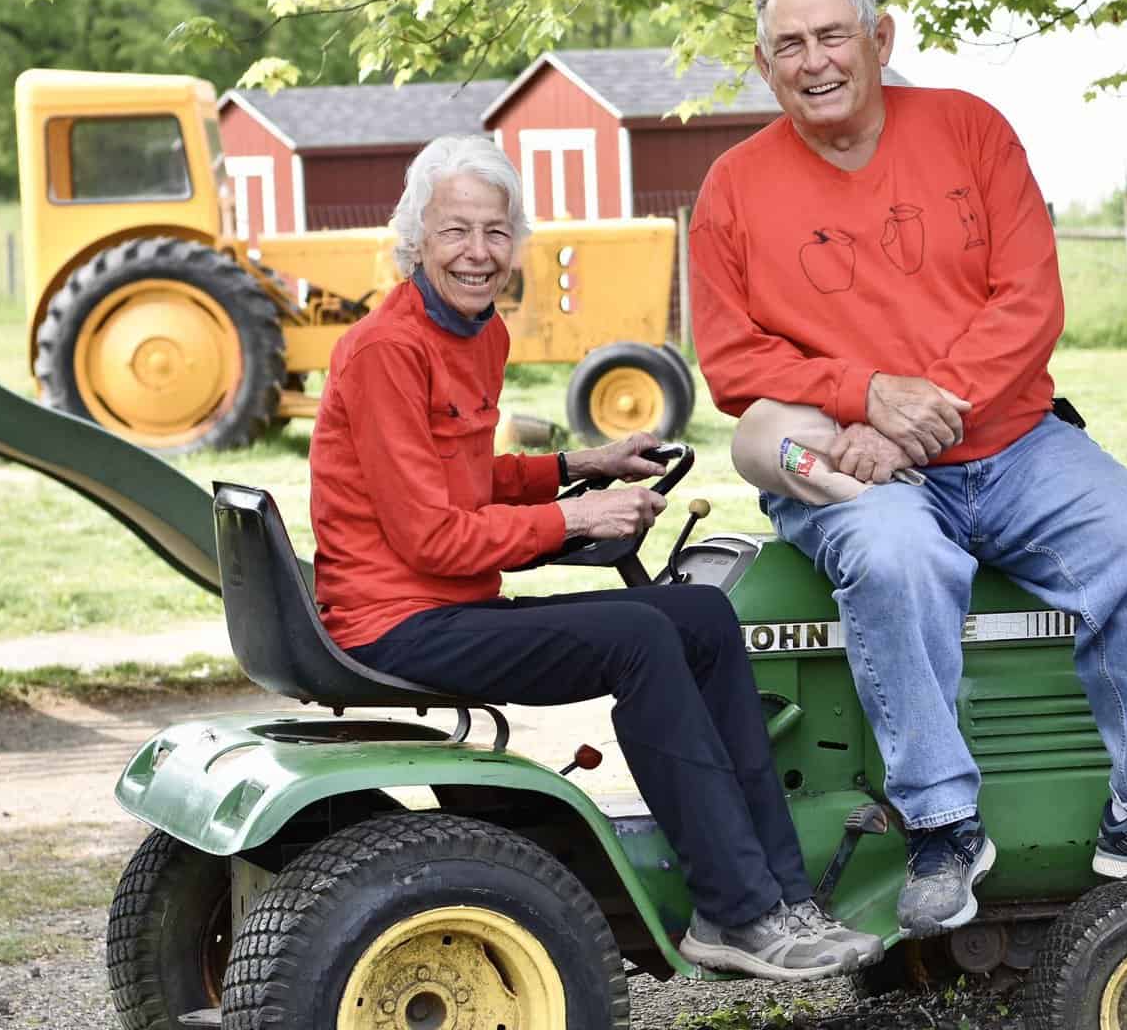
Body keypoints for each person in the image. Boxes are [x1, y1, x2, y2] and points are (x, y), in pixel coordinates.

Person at [689, 0, 1127, 940]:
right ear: (762, 61)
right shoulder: (734, 188)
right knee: (893, 554)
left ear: (881, 38)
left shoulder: (968, 130)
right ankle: (940, 825)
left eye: (833, 36)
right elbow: (734, 360)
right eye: (790, 45)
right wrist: (863, 396)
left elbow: (1028, 301)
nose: (814, 60)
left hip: (1010, 439)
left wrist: (930, 405)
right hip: (844, 457)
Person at [307, 134, 882, 982]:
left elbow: (465, 477)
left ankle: (782, 896)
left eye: (496, 233)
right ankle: (736, 912)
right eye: (456, 231)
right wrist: (575, 519)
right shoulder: (390, 350)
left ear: (516, 243)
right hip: (399, 622)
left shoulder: (477, 335)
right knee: (638, 638)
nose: (478, 253)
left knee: (700, 613)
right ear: (415, 238)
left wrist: (579, 466)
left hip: (447, 605)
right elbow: (431, 535)